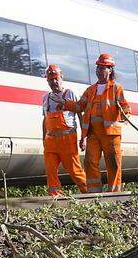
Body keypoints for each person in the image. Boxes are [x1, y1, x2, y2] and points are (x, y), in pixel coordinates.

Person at [51, 54, 130, 193]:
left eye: (102, 68)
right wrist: (65, 103)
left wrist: (126, 114)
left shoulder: (116, 88)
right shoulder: (90, 90)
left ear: (110, 70)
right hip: (93, 133)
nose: (99, 70)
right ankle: (94, 194)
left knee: (113, 164)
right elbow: (79, 106)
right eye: (98, 67)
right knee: (89, 163)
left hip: (111, 133)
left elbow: (125, 106)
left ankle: (115, 194)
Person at [42, 64, 87, 196]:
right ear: (47, 81)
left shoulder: (69, 94)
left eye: (56, 78)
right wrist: (43, 139)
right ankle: (55, 198)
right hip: (50, 141)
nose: (54, 82)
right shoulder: (45, 98)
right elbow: (45, 119)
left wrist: (83, 137)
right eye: (51, 80)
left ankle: (89, 195)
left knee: (75, 170)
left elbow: (79, 114)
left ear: (61, 78)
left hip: (67, 140)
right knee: (50, 171)